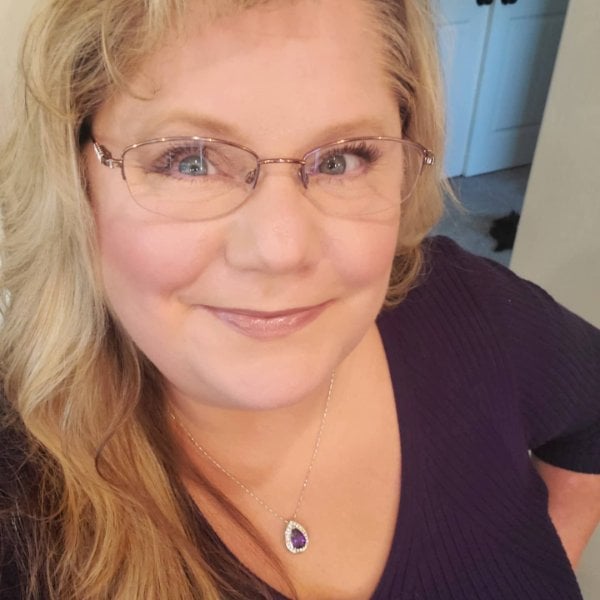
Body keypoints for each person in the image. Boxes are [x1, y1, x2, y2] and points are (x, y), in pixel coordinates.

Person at [0, 0, 598, 598]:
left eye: (342, 159)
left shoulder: (467, 306)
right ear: (74, 181)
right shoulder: (19, 501)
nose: (280, 249)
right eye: (190, 161)